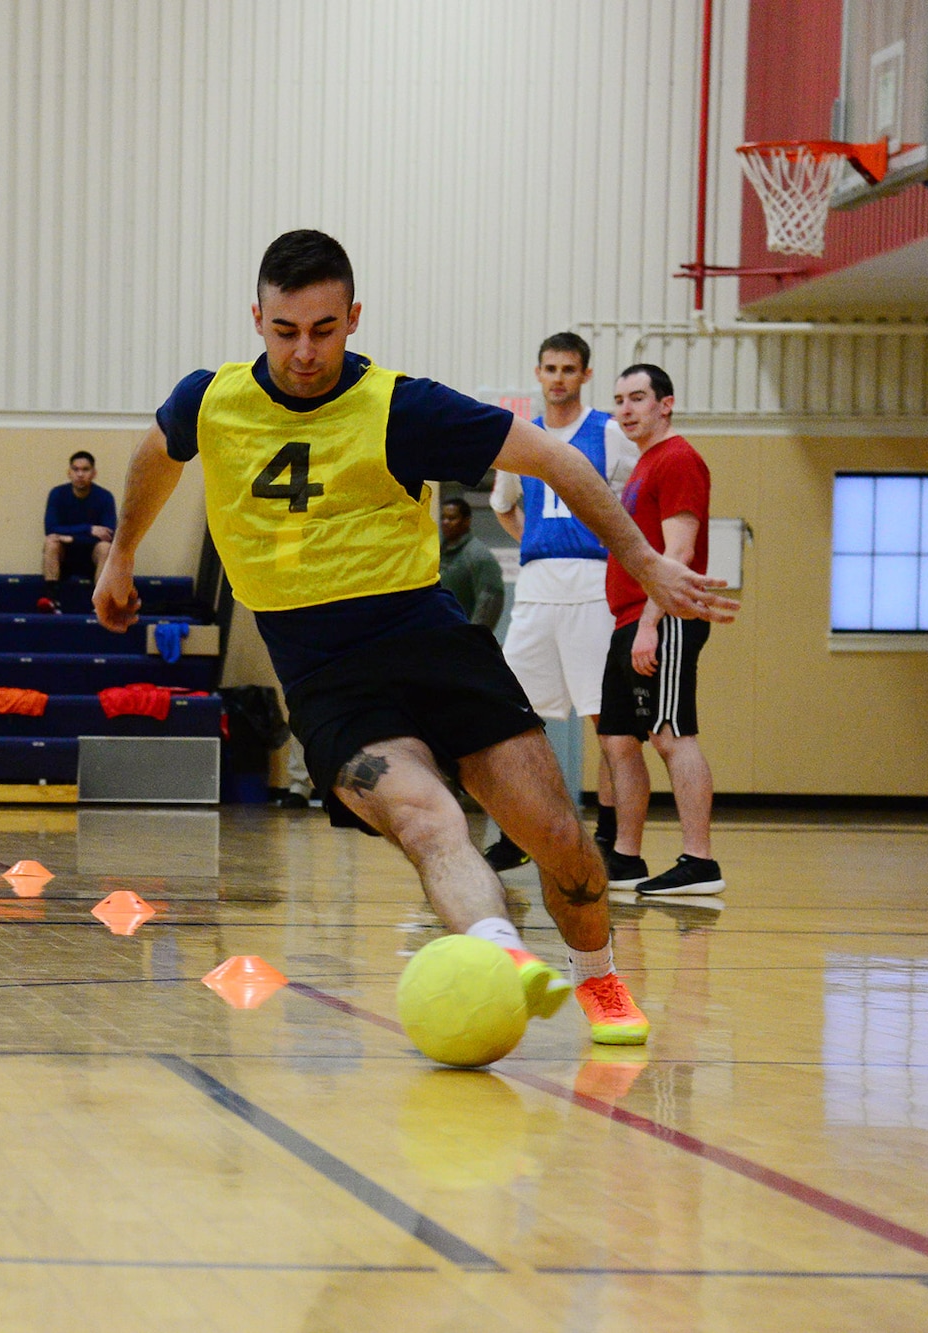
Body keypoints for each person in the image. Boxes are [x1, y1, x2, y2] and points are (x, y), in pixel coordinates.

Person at [95, 231, 734, 1045]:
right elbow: (157, 456)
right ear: (256, 318)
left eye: (324, 330)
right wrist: (121, 552)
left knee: (562, 842)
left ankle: (599, 976)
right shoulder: (209, 400)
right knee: (430, 822)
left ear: (353, 317)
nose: (303, 352)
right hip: (324, 670)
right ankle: (501, 955)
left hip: (427, 639)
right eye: (285, 330)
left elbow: (555, 460)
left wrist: (641, 559)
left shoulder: (402, 406)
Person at [483, 332, 640, 872]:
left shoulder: (610, 433)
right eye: (550, 368)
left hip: (593, 586)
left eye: (568, 369)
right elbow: (504, 506)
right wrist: (535, 538)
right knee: (513, 716)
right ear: (538, 372)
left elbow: (632, 503)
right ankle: (516, 834)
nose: (558, 378)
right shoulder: (520, 437)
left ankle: (611, 833)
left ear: (585, 375)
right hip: (536, 588)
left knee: (605, 719)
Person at [600, 365, 725, 897]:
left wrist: (652, 623)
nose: (626, 409)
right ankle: (626, 860)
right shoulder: (643, 464)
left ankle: (699, 862)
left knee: (671, 736)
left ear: (665, 404)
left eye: (638, 399)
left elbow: (678, 552)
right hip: (627, 620)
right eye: (619, 400)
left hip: (662, 619)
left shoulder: (678, 459)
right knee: (617, 739)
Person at [39, 450, 116, 611]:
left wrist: (72, 538)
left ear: (94, 473)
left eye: (85, 469)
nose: (80, 474)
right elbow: (51, 529)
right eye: (76, 469)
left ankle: (99, 603)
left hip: (92, 559)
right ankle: (51, 599)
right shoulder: (57, 494)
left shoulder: (105, 497)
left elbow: (110, 535)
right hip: (65, 556)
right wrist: (89, 529)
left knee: (105, 548)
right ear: (69, 473)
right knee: (51, 542)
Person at [436, 496, 503, 631]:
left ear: (466, 521)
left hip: (462, 638)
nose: (445, 522)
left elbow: (489, 601)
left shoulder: (478, 555)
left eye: (452, 518)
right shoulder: (435, 552)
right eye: (443, 518)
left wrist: (474, 638)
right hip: (436, 635)